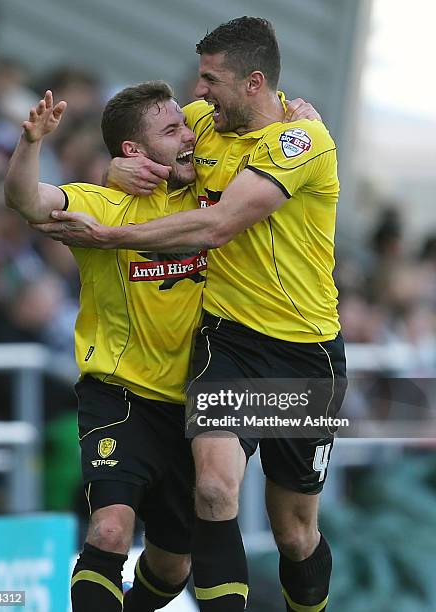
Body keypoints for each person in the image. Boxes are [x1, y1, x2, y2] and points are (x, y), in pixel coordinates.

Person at [35, 16, 347, 612]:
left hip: (305, 354)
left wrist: (111, 236)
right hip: (227, 341)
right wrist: (115, 172)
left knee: (294, 533)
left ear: (253, 83)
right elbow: (149, 147)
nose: (196, 94)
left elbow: (219, 223)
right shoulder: (203, 123)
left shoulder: (302, 141)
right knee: (212, 487)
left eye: (210, 80)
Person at [5, 82, 203, 612]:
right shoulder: (101, 203)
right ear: (134, 151)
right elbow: (26, 200)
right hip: (119, 396)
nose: (190, 135)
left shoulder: (207, 198)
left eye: (185, 123)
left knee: (171, 565)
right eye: (172, 129)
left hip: (195, 405)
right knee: (111, 531)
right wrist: (31, 143)